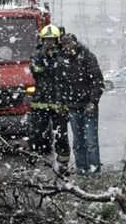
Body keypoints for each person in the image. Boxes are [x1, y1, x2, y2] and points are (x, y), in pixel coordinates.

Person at [62, 28, 107, 174]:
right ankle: (82, 170)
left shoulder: (87, 57)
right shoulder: (63, 60)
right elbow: (60, 84)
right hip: (73, 107)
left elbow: (98, 82)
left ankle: (94, 171)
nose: (67, 48)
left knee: (91, 142)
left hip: (88, 106)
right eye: (64, 45)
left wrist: (92, 102)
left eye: (69, 44)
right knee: (78, 141)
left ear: (75, 43)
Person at [30, 24, 73, 169]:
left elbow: (64, 72)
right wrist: (46, 59)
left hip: (59, 101)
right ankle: (36, 162)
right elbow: (36, 70)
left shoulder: (63, 54)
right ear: (42, 40)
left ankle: (63, 164)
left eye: (52, 40)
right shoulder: (37, 54)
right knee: (37, 134)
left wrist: (54, 59)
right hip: (40, 102)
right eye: (46, 40)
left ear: (57, 40)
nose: (49, 43)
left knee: (61, 135)